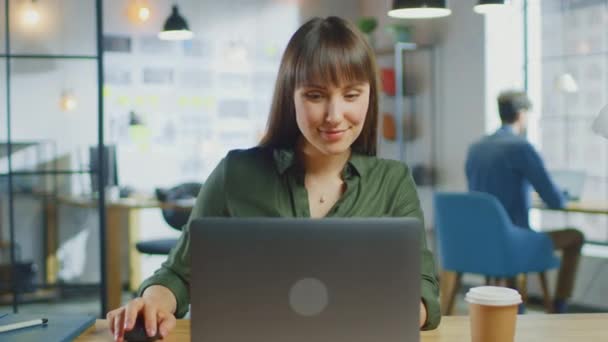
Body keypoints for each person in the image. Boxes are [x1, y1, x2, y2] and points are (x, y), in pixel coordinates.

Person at [107, 16, 441, 341]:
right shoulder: (236, 174)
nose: (334, 115)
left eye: (351, 95)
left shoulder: (393, 182)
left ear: (369, 95)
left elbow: (424, 288)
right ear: (290, 95)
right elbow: (178, 274)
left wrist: (403, 311)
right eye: (315, 95)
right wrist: (151, 304)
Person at [465, 90, 584, 313]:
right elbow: (555, 200)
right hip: (514, 242)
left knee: (512, 234)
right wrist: (564, 195)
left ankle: (514, 301)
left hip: (481, 243)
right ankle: (560, 305)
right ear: (521, 114)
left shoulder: (475, 148)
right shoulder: (521, 147)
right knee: (576, 236)